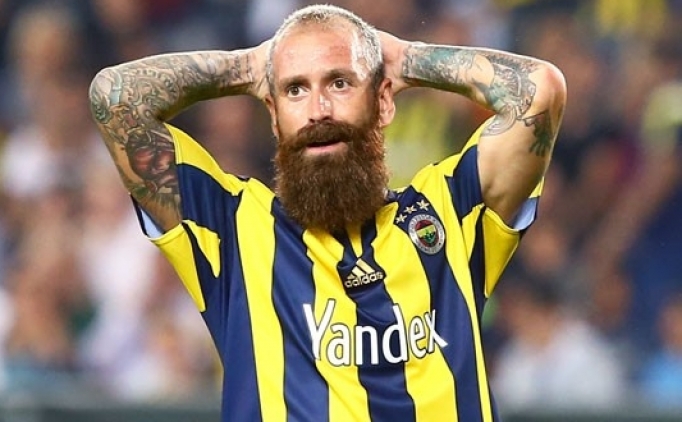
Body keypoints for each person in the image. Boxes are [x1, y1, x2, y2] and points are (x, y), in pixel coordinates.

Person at [88, 4, 566, 421]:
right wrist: (250, 66)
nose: (318, 109)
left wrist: (404, 57)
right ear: (273, 115)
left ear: (383, 101)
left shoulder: (449, 211)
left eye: (340, 82)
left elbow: (539, 91)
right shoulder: (232, 229)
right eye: (295, 89)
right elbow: (116, 97)